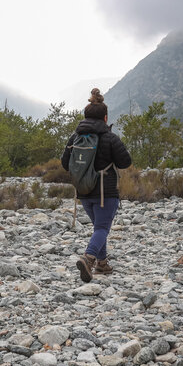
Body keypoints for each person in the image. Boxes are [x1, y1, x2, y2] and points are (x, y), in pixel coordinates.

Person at [61, 88, 132, 282]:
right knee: (102, 228)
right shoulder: (110, 138)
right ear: (105, 117)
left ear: (84, 116)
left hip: (83, 191)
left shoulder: (75, 137)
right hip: (105, 192)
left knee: (99, 227)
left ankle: (102, 264)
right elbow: (126, 162)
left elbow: (64, 163)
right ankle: (88, 258)